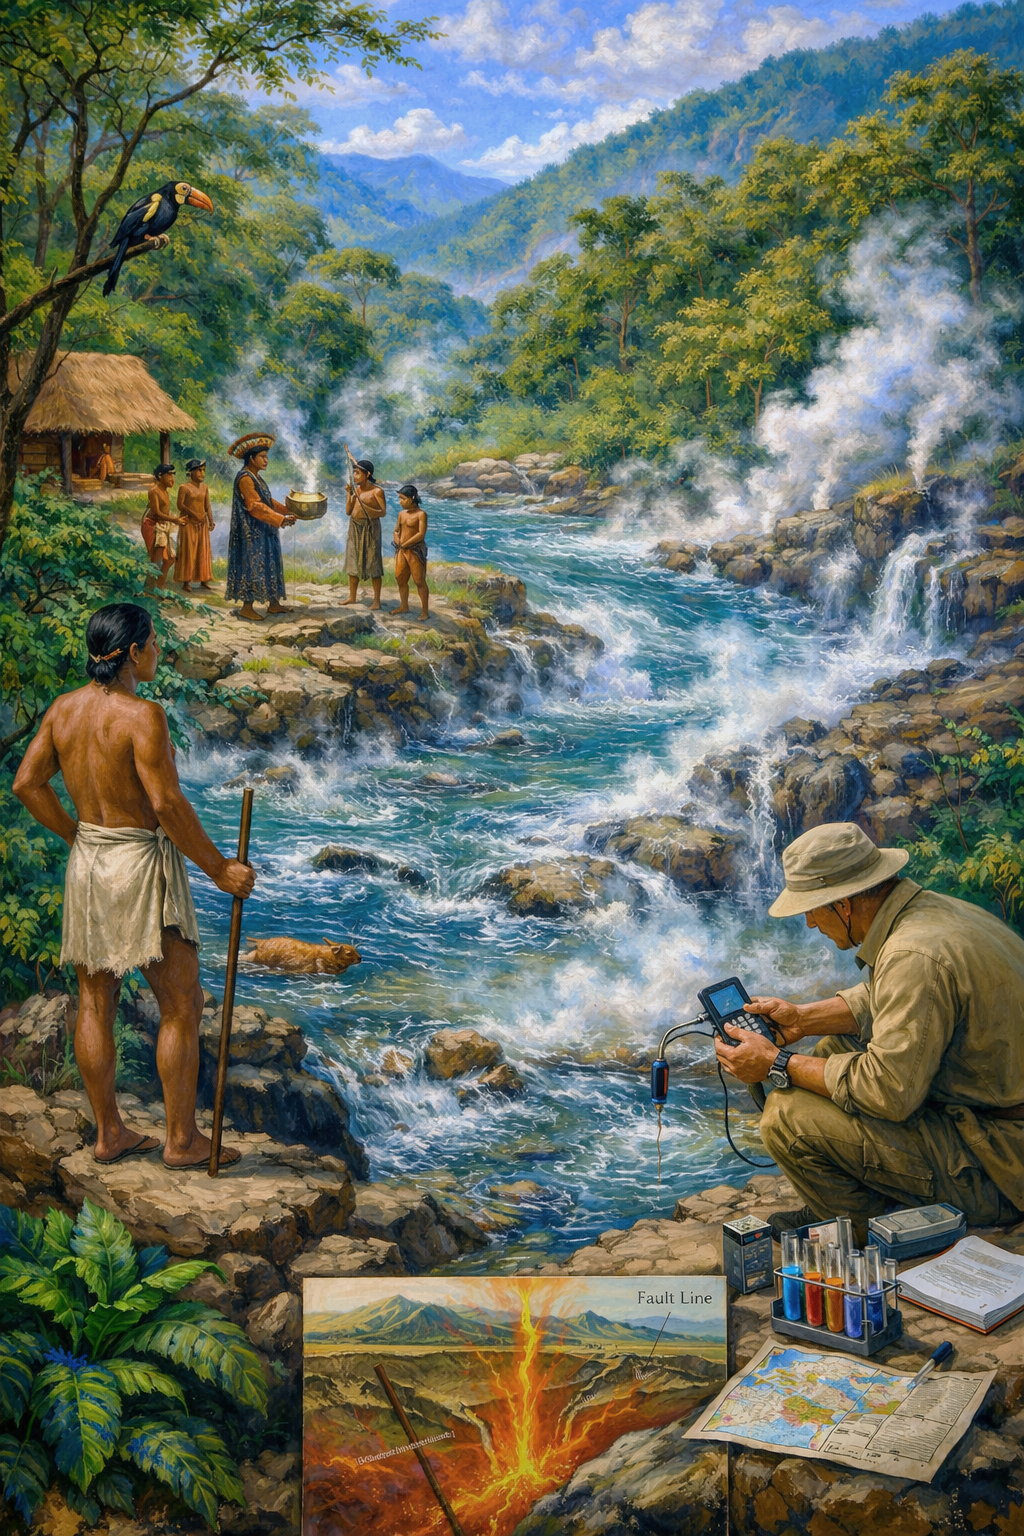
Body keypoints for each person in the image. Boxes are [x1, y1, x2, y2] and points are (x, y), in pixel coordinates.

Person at [12, 603, 255, 1168]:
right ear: (131, 653)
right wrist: (220, 869)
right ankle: (180, 1141)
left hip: (92, 863)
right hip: (140, 866)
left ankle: (109, 1135)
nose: (158, 653)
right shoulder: (143, 716)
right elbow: (167, 804)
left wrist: (77, 834)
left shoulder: (62, 711)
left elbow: (27, 783)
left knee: (96, 1001)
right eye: (152, 644)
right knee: (181, 1002)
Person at [714, 821, 1024, 1245]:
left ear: (843, 905)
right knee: (829, 1048)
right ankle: (851, 1206)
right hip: (997, 1126)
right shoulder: (935, 914)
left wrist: (775, 1062)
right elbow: (894, 999)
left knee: (786, 1118)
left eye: (812, 907)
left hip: (1002, 1168)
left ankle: (868, 1229)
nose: (807, 922)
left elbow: (888, 1092)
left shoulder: (912, 954)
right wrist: (802, 1019)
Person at [225, 432, 296, 622]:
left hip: (264, 530)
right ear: (251, 458)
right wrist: (280, 519)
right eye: (262, 457)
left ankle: (273, 604)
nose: (266, 460)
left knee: (270, 562)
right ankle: (247, 607)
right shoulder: (245, 479)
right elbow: (255, 506)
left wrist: (290, 509)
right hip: (251, 533)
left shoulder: (256, 478)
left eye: (267, 457)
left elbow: (268, 501)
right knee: (251, 565)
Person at [341, 452, 385, 609]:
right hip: (354, 527)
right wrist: (349, 495)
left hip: (371, 529)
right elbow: (348, 511)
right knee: (352, 561)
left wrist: (365, 506)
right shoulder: (356, 490)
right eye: (353, 472)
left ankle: (377, 601)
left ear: (368, 474)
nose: (354, 475)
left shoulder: (377, 491)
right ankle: (352, 597)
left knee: (373, 563)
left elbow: (382, 512)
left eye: (357, 472)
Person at [174, 457, 215, 591]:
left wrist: (211, 520)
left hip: (202, 524)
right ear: (191, 473)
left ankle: (203, 579)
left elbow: (207, 505)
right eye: (199, 471)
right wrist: (193, 513)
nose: (202, 473)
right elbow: (180, 505)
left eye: (203, 470)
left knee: (202, 551)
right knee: (189, 551)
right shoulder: (184, 487)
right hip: (189, 523)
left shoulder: (204, 487)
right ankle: (186, 582)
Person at [141, 464, 181, 590]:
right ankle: (149, 589)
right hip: (152, 526)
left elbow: (164, 513)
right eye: (169, 474)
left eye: (173, 474)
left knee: (170, 559)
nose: (172, 478)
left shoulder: (165, 492)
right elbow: (157, 513)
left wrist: (173, 521)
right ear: (160, 475)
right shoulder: (154, 491)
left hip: (162, 525)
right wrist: (175, 520)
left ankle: (159, 587)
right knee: (157, 561)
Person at [393, 483, 429, 620]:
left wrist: (406, 544)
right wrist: (397, 540)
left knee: (419, 580)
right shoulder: (401, 514)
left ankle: (424, 611)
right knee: (400, 577)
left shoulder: (421, 514)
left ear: (412, 498)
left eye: (403, 499)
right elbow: (396, 530)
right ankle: (404, 605)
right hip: (401, 551)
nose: (400, 502)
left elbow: (421, 534)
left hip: (415, 551)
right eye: (399, 499)